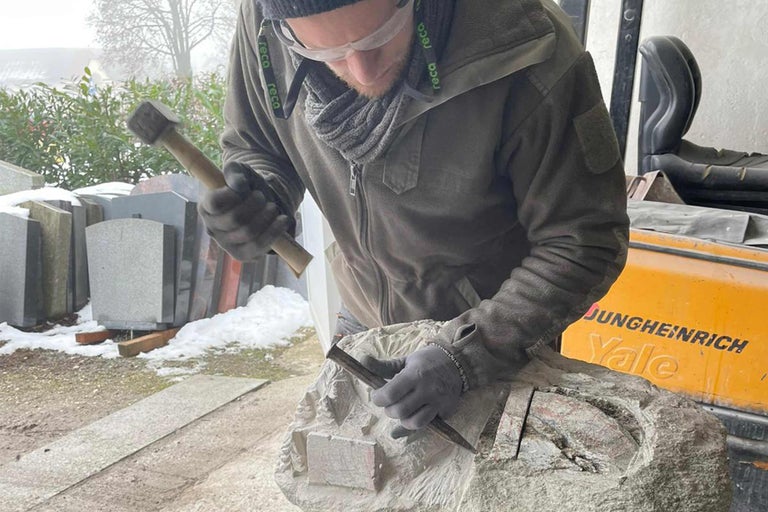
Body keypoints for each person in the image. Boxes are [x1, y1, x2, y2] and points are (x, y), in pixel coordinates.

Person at [199, 0, 629, 437]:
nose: (362, 72)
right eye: (326, 52)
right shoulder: (266, 20)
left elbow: (584, 240)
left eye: (378, 37)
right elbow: (256, 142)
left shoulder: (533, 50)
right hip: (362, 309)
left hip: (499, 332)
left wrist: (471, 354)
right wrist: (259, 194)